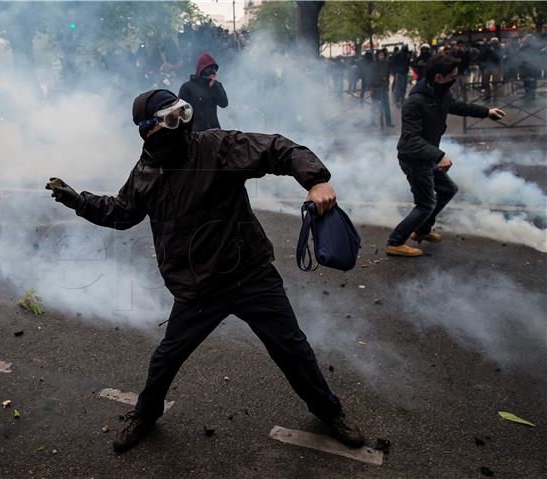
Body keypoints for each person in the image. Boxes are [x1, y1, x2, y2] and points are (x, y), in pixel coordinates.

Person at [46, 89, 365, 453]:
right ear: (148, 130)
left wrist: (317, 180)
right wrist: (78, 200)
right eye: (171, 119)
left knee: (293, 349)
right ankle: (145, 415)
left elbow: (279, 148)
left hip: (249, 274)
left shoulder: (216, 147)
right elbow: (121, 212)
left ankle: (329, 411)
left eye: (184, 114)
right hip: (197, 287)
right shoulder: (145, 173)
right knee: (167, 357)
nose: (182, 125)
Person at [387, 55, 506, 257]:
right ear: (439, 77)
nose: (455, 79)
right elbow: (410, 140)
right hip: (414, 159)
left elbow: (458, 106)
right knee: (425, 204)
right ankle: (396, 242)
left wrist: (487, 112)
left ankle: (422, 230)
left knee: (448, 189)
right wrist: (439, 155)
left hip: (427, 157)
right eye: (452, 76)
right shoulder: (415, 102)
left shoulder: (439, 94)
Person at [178, 52, 228, 131]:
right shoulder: (187, 87)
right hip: (196, 134)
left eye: (214, 70)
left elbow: (224, 103)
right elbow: (181, 113)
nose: (214, 72)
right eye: (210, 69)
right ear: (202, 69)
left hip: (215, 132)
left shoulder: (215, 86)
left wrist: (216, 87)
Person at [369, 49, 394, 128]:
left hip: (384, 87)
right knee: (374, 105)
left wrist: (386, 82)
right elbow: (370, 77)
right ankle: (372, 122)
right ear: (377, 56)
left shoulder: (387, 64)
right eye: (380, 55)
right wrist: (371, 88)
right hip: (375, 88)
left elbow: (388, 74)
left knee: (386, 106)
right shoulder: (373, 65)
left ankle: (388, 123)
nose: (381, 56)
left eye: (382, 55)